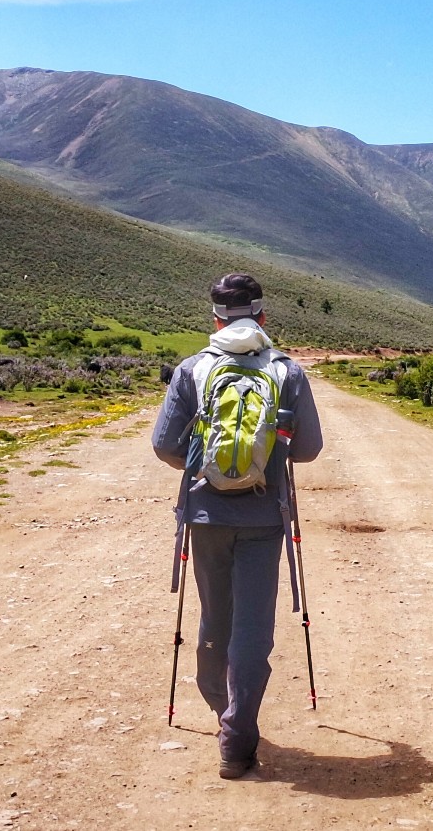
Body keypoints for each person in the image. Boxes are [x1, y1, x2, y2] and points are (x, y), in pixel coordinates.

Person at [152, 272, 323, 779]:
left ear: (216, 318)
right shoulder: (285, 371)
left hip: (205, 515)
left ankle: (217, 706)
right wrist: (275, 446)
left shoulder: (192, 370)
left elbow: (164, 445)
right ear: (262, 317)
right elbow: (310, 449)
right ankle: (237, 735)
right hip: (264, 516)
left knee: (213, 615)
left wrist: (204, 466)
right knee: (253, 626)